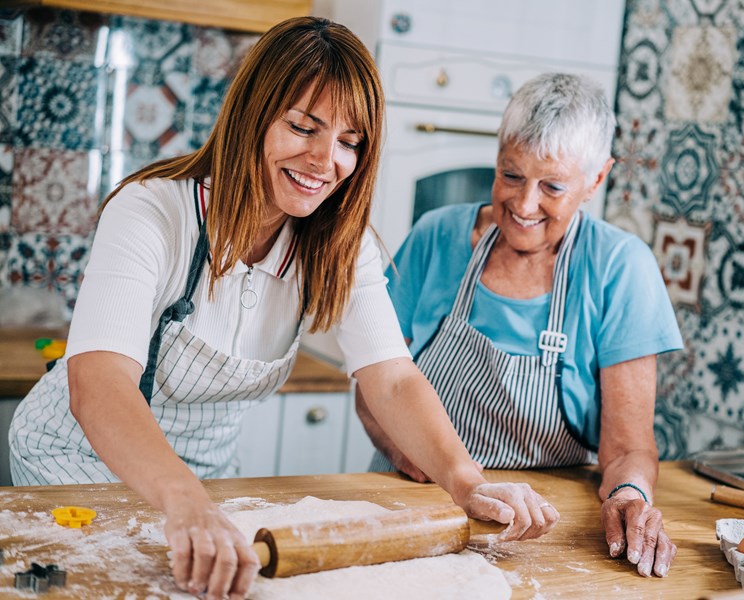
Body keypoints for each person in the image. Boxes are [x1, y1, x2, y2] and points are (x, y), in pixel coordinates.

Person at [8, 17, 558, 600]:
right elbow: (97, 382)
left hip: (208, 488)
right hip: (75, 469)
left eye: (349, 142)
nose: (326, 161)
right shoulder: (150, 213)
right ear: (253, 114)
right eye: (303, 127)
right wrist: (184, 500)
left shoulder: (342, 246)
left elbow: (392, 379)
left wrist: (464, 480)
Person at [356, 72, 683, 578]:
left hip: (539, 530)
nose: (524, 204)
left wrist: (629, 494)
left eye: (552, 186)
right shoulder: (435, 236)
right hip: (415, 501)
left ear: (596, 180)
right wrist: (413, 458)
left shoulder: (621, 268)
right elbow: (376, 387)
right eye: (511, 175)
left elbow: (629, 448)